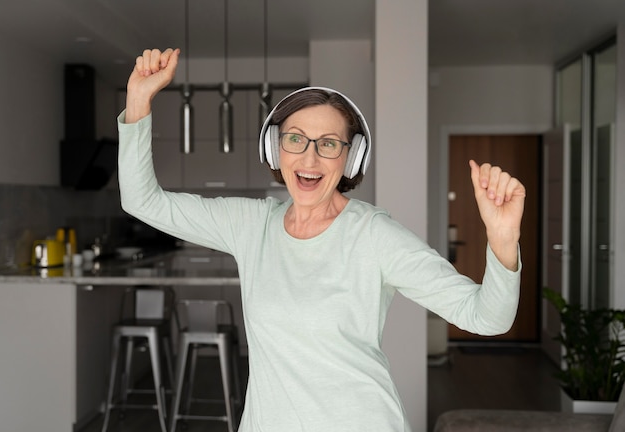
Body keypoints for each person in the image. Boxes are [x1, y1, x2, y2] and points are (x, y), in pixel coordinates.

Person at [118, 48, 525, 432]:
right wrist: (138, 99)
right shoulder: (250, 224)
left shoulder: (374, 235)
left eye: (329, 144)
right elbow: (143, 201)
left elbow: (486, 317)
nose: (309, 160)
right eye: (295, 139)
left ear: (352, 156)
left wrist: (503, 239)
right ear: (275, 147)